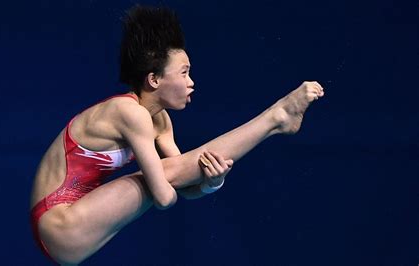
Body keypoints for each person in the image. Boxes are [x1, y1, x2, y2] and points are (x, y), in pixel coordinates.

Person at [29, 5, 325, 265]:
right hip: (58, 224)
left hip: (77, 231)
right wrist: (187, 175)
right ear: (154, 79)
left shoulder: (160, 121)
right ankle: (275, 118)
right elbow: (165, 196)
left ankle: (277, 120)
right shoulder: (128, 112)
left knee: (168, 170)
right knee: (159, 174)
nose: (192, 82)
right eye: (184, 73)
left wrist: (211, 182)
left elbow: (183, 184)